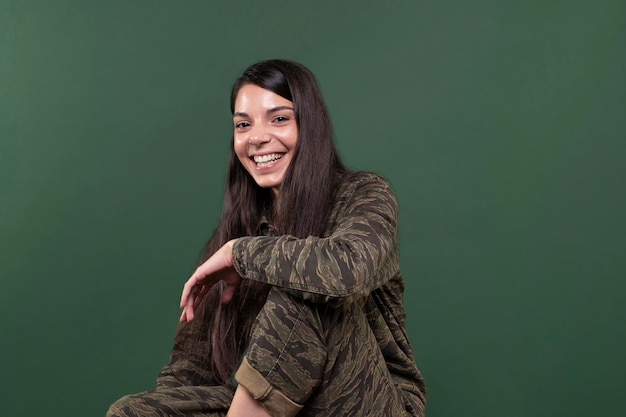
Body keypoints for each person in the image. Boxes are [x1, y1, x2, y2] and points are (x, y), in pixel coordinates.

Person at [106, 59, 427, 417]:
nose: (257, 137)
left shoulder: (366, 194)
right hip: (277, 408)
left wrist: (240, 254)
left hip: (369, 404)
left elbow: (346, 272)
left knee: (309, 289)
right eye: (244, 125)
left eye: (279, 119)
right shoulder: (236, 231)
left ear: (310, 126)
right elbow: (190, 370)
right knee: (132, 413)